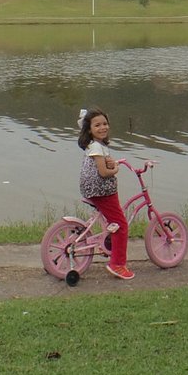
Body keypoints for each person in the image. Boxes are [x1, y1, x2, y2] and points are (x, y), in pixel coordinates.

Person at [77, 108, 134, 280]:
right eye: (97, 125)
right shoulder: (96, 146)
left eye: (105, 124)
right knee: (121, 224)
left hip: (93, 188)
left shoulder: (94, 145)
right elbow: (103, 172)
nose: (103, 127)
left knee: (113, 221)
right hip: (101, 190)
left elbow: (99, 164)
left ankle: (108, 245)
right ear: (89, 129)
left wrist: (111, 162)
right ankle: (117, 264)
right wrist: (115, 168)